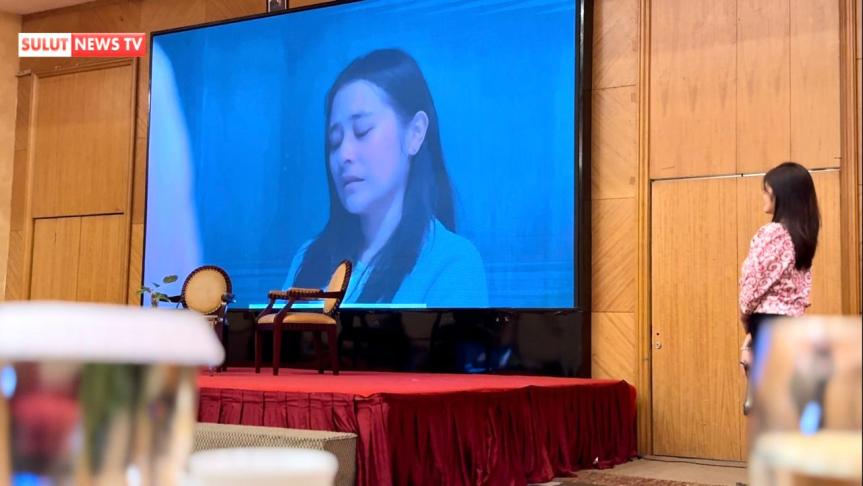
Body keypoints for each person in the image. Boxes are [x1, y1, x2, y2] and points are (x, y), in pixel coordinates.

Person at [283, 49, 488, 307]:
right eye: (335, 141)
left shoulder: (452, 264)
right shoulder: (308, 259)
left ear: (415, 133)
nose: (344, 154)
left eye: (362, 131)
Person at [738, 162, 820, 371]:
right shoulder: (802, 237)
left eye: (766, 191)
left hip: (769, 325)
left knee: (768, 388)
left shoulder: (773, 233)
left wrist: (746, 320)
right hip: (794, 325)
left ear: (782, 196)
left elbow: (752, 286)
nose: (763, 195)